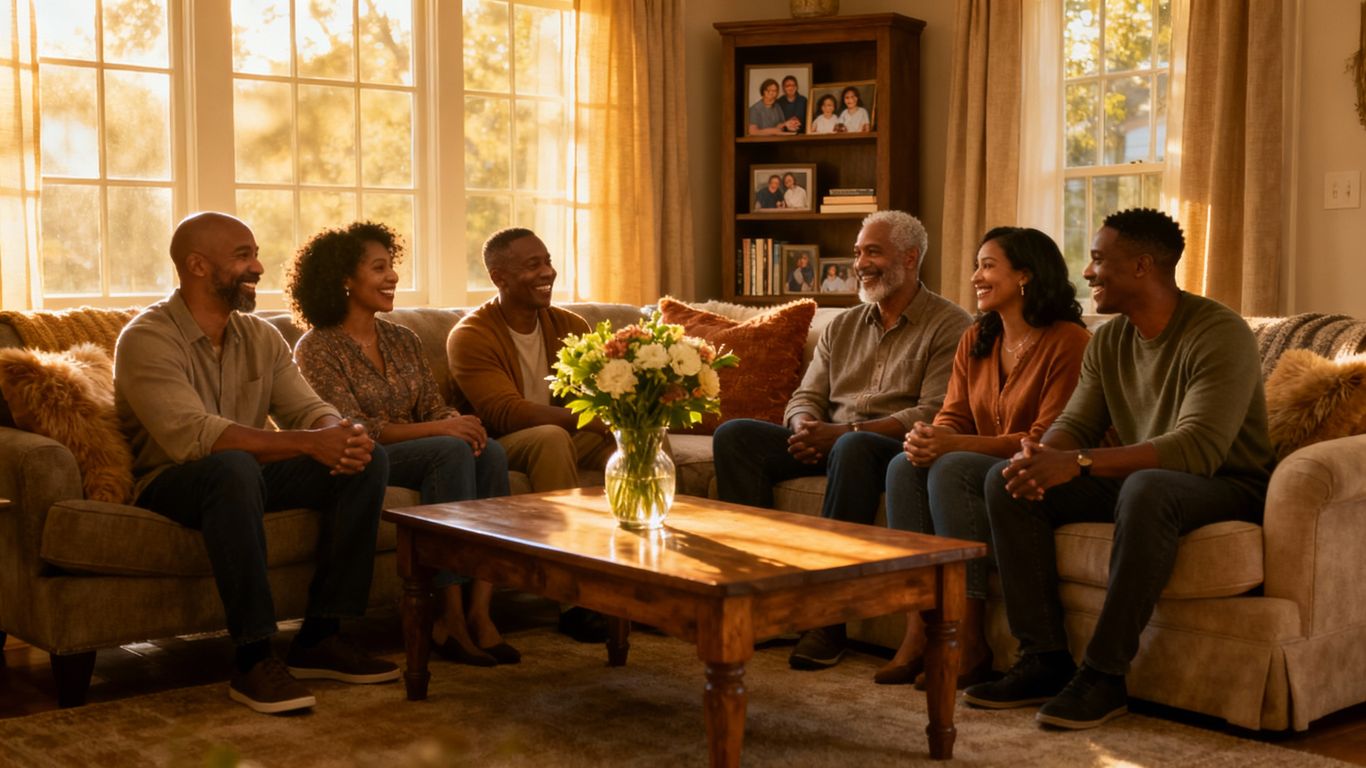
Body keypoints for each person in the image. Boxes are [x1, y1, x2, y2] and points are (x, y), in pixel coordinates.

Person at [962, 209, 1275, 730]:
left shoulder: (1220, 332)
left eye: (1099, 259)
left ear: (1142, 267)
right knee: (1008, 482)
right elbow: (1075, 425)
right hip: (1142, 480)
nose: (1086, 273)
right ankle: (1043, 659)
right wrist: (1041, 458)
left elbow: (1198, 448)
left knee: (1148, 489)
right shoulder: (1108, 340)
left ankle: (1104, 676)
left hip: (1227, 483)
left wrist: (1077, 463)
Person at [114, 212, 399, 715]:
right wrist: (309, 444)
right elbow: (195, 437)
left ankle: (322, 636)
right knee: (235, 467)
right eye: (243, 256)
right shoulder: (147, 338)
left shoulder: (261, 337)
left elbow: (307, 409)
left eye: (256, 253)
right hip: (171, 479)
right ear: (198, 266)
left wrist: (340, 433)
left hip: (243, 473)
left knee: (367, 461)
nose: (259, 266)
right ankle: (252, 657)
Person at [713, 210, 972, 671]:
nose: (860, 263)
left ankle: (827, 622)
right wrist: (805, 427)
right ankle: (754, 600)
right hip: (830, 438)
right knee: (737, 436)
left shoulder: (950, 324)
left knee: (853, 448)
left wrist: (843, 433)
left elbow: (932, 410)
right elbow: (805, 395)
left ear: (910, 258)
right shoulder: (843, 325)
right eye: (858, 252)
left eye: (873, 251)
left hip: (889, 447)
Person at [287, 221, 518, 668]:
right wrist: (442, 433)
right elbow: (355, 429)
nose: (392, 276)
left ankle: (479, 613)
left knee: (488, 451)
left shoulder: (402, 338)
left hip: (421, 449)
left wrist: (457, 422)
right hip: (367, 458)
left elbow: (433, 407)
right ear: (345, 280)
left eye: (391, 266)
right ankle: (445, 615)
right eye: (379, 268)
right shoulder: (316, 348)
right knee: (449, 449)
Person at [875, 227, 1090, 689]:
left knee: (951, 467)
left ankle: (968, 637)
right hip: (979, 461)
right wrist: (928, 437)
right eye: (977, 265)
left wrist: (951, 446)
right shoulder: (977, 338)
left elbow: (1044, 441)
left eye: (988, 266)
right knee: (903, 463)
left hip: (1040, 471)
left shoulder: (1068, 342)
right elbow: (952, 416)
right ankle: (918, 629)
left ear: (1026, 276)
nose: (976, 276)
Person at [447, 226, 615, 643]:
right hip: (502, 443)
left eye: (548, 261)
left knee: (641, 436)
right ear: (499, 278)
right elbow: (505, 412)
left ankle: (650, 581)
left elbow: (607, 389)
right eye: (533, 265)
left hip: (564, 435)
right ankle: (574, 602)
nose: (548, 272)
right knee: (549, 437)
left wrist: (625, 424)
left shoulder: (569, 325)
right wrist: (591, 420)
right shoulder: (471, 335)